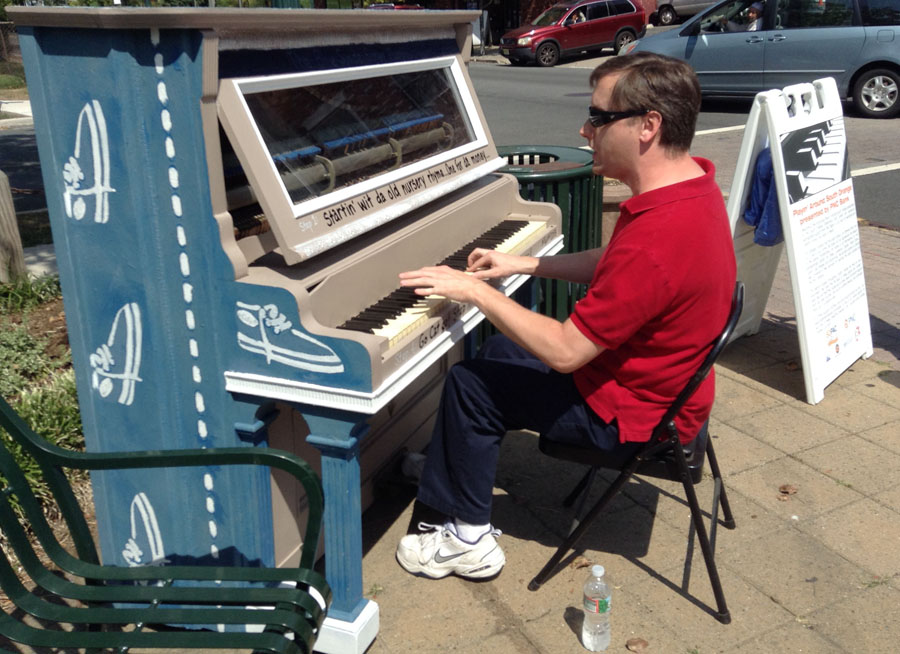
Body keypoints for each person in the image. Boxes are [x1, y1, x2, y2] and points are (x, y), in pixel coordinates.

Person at [394, 52, 737, 581]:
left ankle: (467, 541)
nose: (585, 129)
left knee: (470, 382)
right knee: (500, 351)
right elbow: (618, 263)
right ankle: (453, 475)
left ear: (648, 126)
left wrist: (474, 291)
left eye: (599, 118)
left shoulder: (659, 237)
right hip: (666, 388)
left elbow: (565, 351)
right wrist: (527, 262)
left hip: (636, 417)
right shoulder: (690, 189)